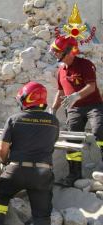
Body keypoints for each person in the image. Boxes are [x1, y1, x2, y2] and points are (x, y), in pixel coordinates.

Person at [0, 82, 59, 225]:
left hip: (16, 170)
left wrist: (4, 163)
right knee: (42, 216)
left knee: (0, 200)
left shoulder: (14, 119)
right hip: (42, 173)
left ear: (26, 99)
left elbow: (2, 149)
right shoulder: (54, 121)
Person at [49, 36, 103, 187]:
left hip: (94, 105)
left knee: (100, 130)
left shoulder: (85, 64)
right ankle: (74, 174)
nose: (55, 54)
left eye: (57, 51)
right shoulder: (60, 71)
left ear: (68, 51)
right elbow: (60, 93)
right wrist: (53, 109)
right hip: (74, 109)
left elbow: (91, 87)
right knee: (72, 140)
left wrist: (76, 95)